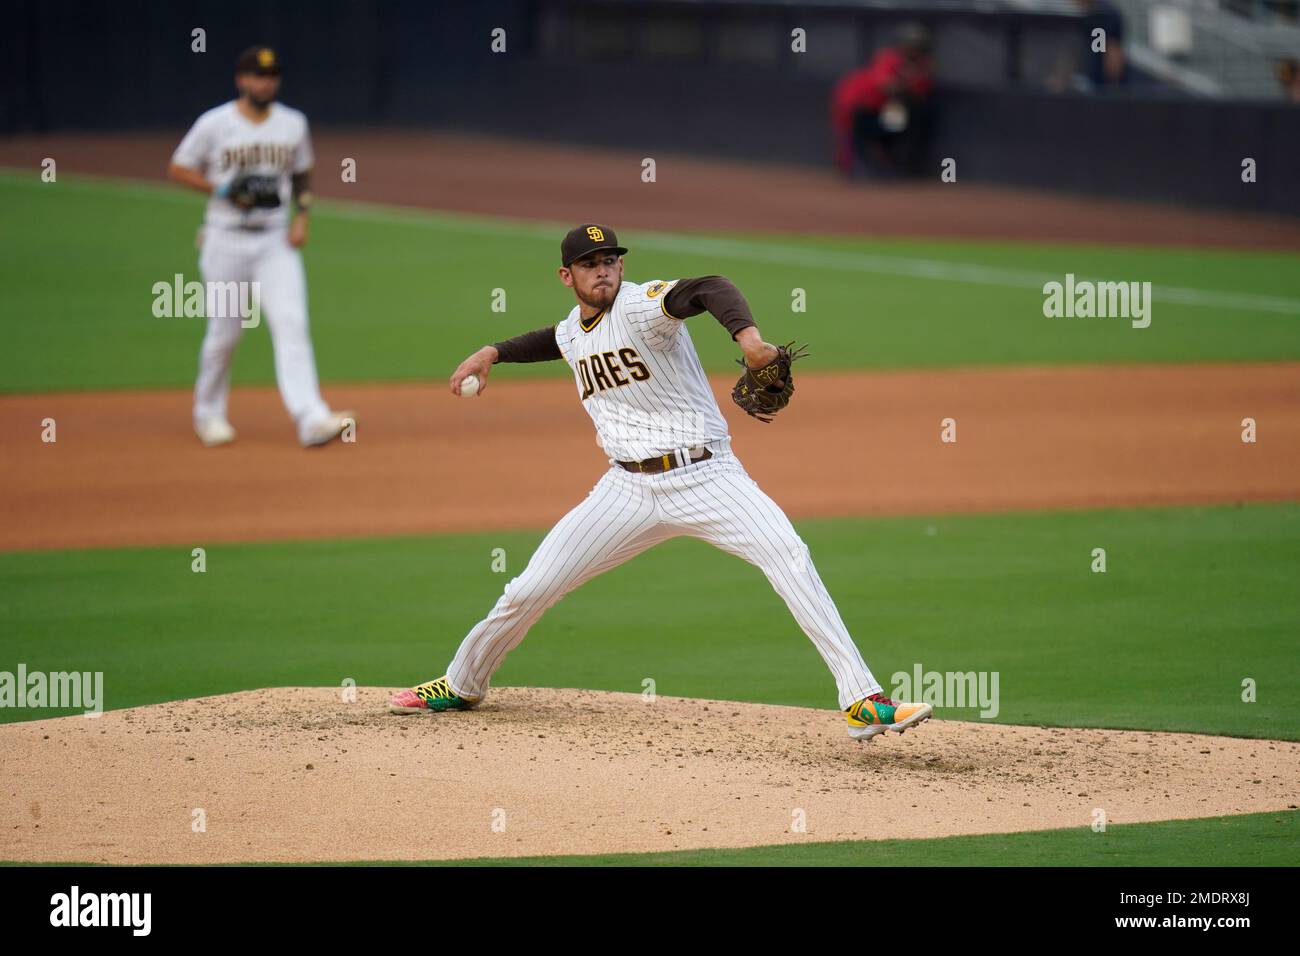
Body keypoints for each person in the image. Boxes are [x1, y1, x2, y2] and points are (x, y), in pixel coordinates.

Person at [389, 224, 933, 743]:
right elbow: (555, 340)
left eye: (610, 260)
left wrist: (750, 342)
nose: (603, 271)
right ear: (566, 276)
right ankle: (462, 684)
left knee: (789, 555)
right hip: (624, 492)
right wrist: (493, 352)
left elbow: (710, 287)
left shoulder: (645, 305)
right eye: (590, 264)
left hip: (708, 477)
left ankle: (862, 700)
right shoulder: (572, 331)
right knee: (530, 588)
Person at [167, 46, 352, 448]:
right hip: (225, 238)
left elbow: (302, 174)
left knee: (291, 325)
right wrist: (220, 188)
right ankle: (208, 413)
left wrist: (302, 217)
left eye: (271, 75)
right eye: (257, 75)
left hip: (274, 240)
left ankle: (311, 417)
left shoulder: (292, 124)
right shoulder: (215, 124)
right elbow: (178, 167)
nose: (265, 81)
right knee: (226, 333)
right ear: (241, 79)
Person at [831, 23, 935, 178]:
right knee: (848, 134)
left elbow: (918, 94)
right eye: (911, 45)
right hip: (854, 99)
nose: (914, 51)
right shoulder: (888, 58)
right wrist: (911, 78)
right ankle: (853, 168)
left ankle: (889, 167)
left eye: (918, 47)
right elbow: (887, 86)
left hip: (882, 108)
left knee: (895, 128)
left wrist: (916, 77)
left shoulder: (923, 66)